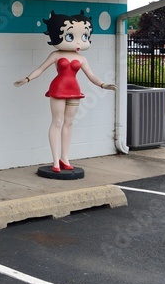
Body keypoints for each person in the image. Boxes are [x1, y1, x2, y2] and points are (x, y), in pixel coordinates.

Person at [14, 10, 115, 174]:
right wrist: (27, 79)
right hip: (58, 90)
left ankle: (64, 157)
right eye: (70, 37)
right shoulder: (56, 54)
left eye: (84, 37)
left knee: (69, 123)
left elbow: (91, 75)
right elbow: (40, 69)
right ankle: (55, 160)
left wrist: (103, 85)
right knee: (57, 122)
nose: (78, 42)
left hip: (74, 91)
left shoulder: (82, 58)